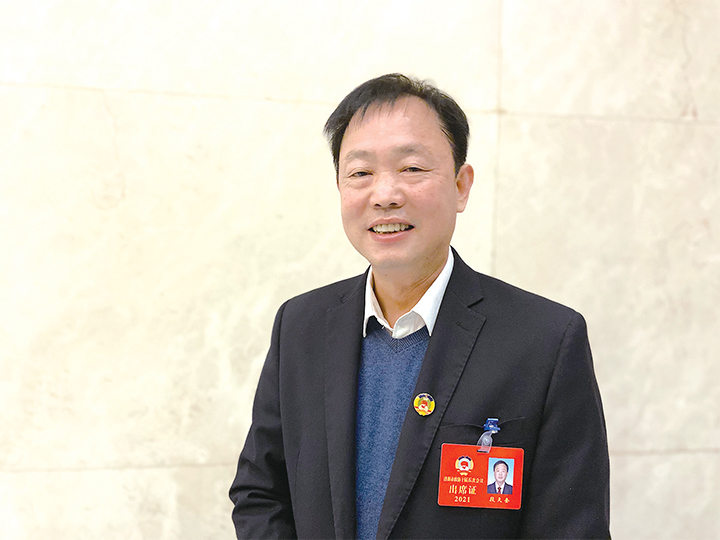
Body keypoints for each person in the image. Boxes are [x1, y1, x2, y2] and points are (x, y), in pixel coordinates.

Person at [229, 73, 610, 539]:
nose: (385, 195)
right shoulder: (301, 325)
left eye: (411, 168)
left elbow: (572, 528)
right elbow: (260, 493)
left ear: (461, 186)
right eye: (361, 173)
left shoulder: (545, 340)